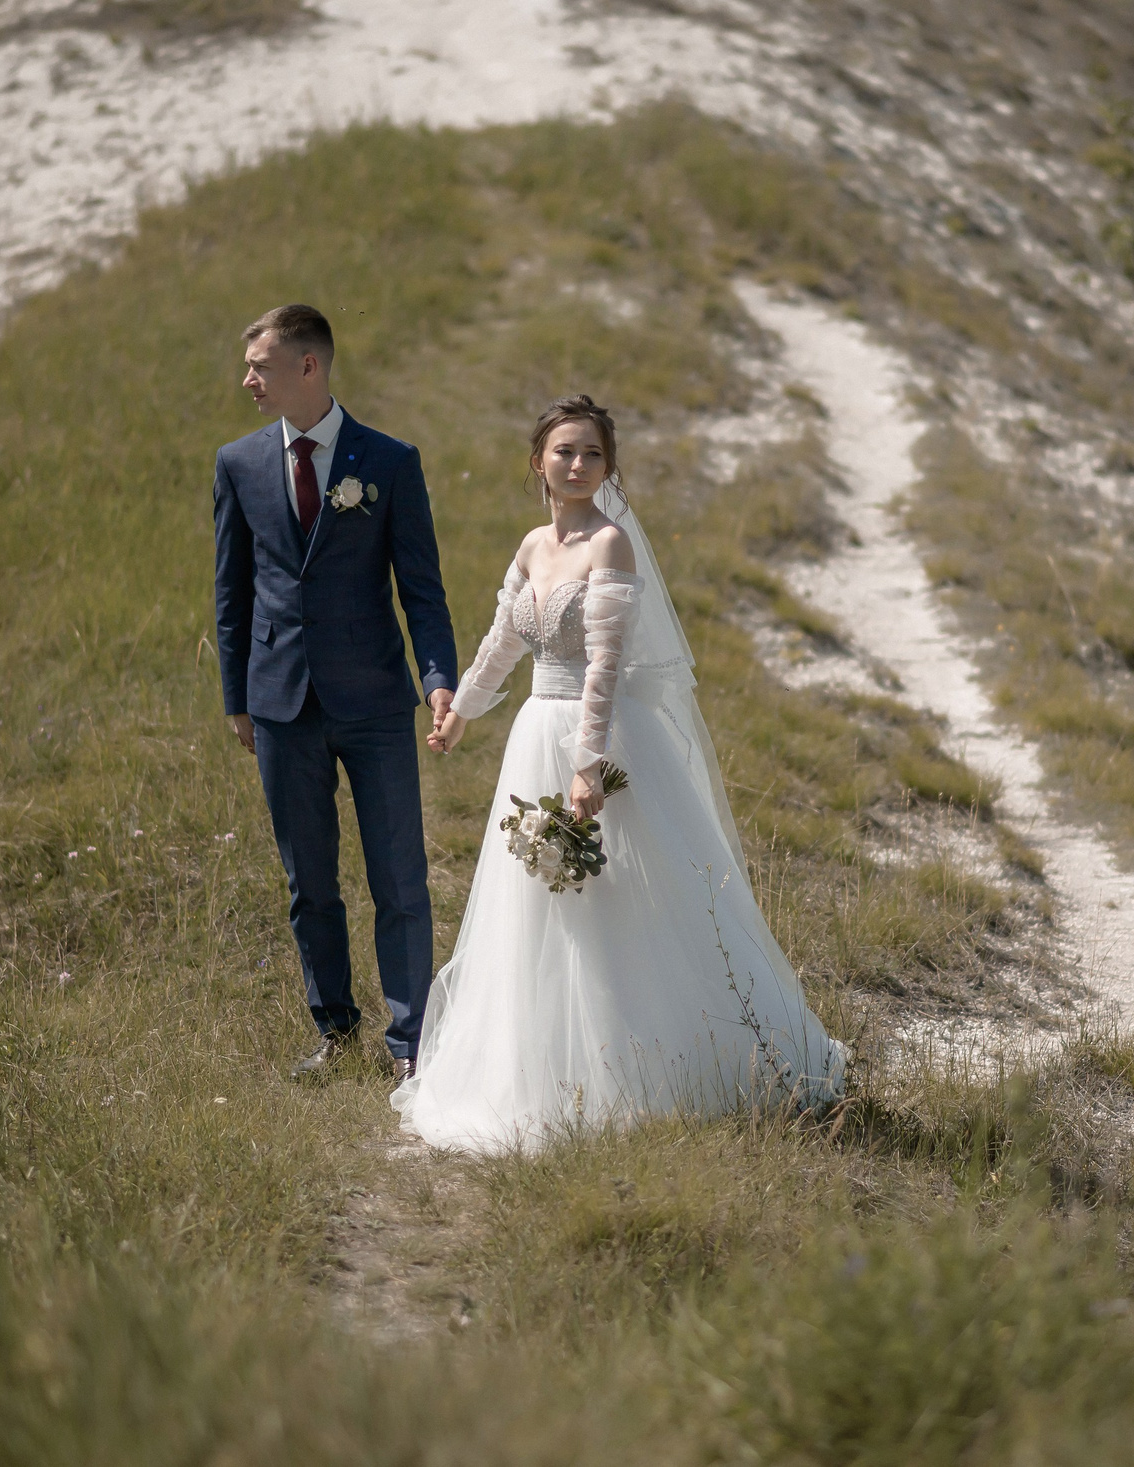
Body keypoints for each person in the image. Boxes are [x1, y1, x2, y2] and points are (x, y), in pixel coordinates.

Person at [397, 395, 843, 1152]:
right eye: (565, 451)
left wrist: (588, 765)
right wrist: (463, 711)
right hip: (533, 730)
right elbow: (504, 638)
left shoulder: (611, 546)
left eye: (593, 455)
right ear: (538, 459)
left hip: (593, 738)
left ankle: (647, 1065)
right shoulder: (534, 545)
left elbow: (605, 665)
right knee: (537, 907)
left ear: (609, 466)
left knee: (624, 899)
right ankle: (536, 1065)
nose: (578, 465)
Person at [212, 304, 456, 1079]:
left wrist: (439, 678)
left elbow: (422, 589)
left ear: (308, 366)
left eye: (260, 364)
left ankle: (412, 1040)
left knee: (399, 876)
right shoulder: (238, 463)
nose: (247, 378)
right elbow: (232, 591)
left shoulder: (389, 461)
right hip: (280, 704)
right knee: (308, 881)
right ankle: (336, 1031)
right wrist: (236, 698)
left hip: (378, 701)